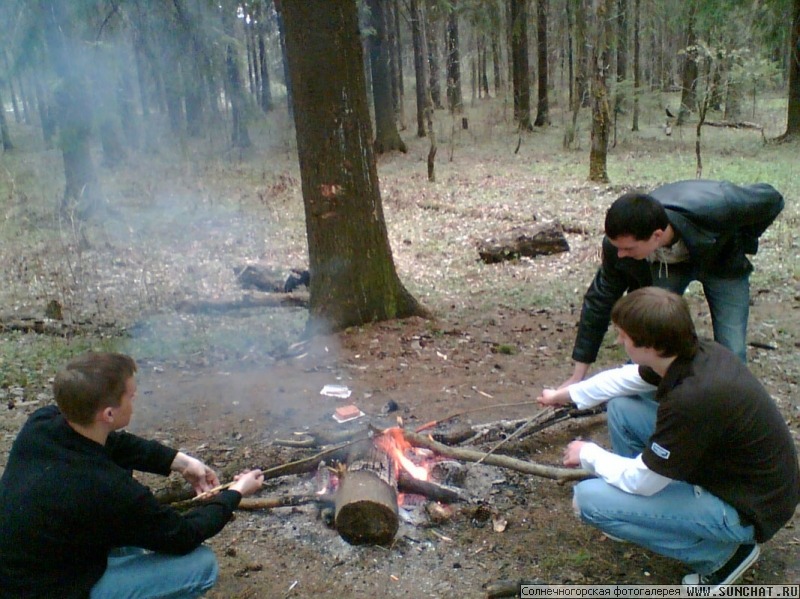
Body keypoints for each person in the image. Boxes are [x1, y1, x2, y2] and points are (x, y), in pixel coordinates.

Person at [538, 287, 800, 590]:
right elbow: (623, 381)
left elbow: (643, 481)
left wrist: (589, 454)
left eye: (624, 335)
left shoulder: (692, 400)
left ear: (649, 344)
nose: (619, 340)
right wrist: (564, 395)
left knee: (588, 501)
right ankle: (646, 510)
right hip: (738, 476)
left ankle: (722, 556)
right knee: (623, 407)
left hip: (747, 509)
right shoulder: (694, 353)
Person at [0, 352, 264, 599]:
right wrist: (235, 493)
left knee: (131, 536)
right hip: (45, 591)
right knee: (201, 564)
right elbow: (183, 535)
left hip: (23, 566)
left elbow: (117, 445)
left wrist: (181, 463)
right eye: (131, 395)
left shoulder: (42, 425)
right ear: (109, 413)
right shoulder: (106, 487)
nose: (135, 399)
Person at [562, 179, 784, 388]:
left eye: (628, 249)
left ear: (656, 235)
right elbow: (600, 300)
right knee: (650, 329)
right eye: (618, 248)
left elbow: (772, 199)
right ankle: (649, 390)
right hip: (668, 265)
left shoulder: (720, 205)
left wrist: (741, 239)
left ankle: (730, 403)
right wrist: (578, 375)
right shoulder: (619, 246)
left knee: (732, 346)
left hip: (721, 262)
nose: (620, 255)